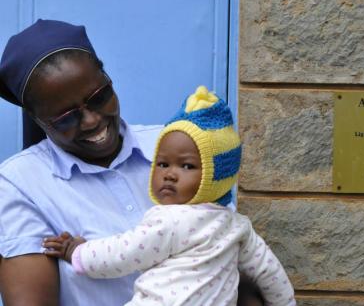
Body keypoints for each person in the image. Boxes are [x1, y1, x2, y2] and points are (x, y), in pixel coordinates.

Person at [0, 20, 267, 306]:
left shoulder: (174, 147)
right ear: (38, 119)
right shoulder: (21, 183)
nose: (91, 120)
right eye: (66, 117)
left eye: (99, 97)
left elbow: (229, 254)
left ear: (108, 79)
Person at [43, 86, 295, 305]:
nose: (170, 175)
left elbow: (123, 253)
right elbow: (271, 275)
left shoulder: (171, 221)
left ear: (215, 177)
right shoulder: (238, 226)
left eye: (186, 166)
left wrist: (77, 252)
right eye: (163, 164)